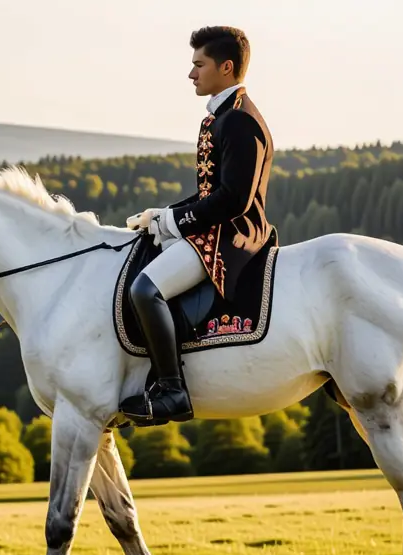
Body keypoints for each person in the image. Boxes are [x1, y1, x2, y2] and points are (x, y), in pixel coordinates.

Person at [121, 26, 276, 425]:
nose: (191, 73)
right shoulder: (224, 115)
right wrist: (162, 215)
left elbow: (234, 200)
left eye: (199, 64)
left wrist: (176, 220)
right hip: (218, 226)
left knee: (145, 289)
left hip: (232, 236)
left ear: (226, 67)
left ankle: (172, 390)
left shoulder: (239, 120)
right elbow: (211, 192)